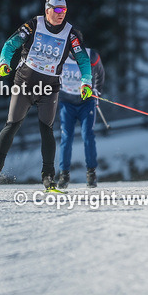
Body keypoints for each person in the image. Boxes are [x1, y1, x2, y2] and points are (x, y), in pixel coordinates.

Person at [0, 0, 93, 190]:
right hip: (24, 83)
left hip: (49, 89)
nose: (61, 14)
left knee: (46, 130)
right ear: (47, 10)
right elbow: (10, 45)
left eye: (64, 10)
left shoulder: (71, 34)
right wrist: (4, 63)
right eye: (57, 10)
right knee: (12, 125)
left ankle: (48, 177)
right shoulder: (33, 25)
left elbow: (83, 60)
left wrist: (86, 82)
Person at [57, 47, 105, 189]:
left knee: (87, 135)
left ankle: (91, 173)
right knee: (66, 137)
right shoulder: (60, 55)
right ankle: (64, 175)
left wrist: (97, 91)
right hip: (67, 103)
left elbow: (100, 73)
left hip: (86, 103)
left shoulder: (91, 55)